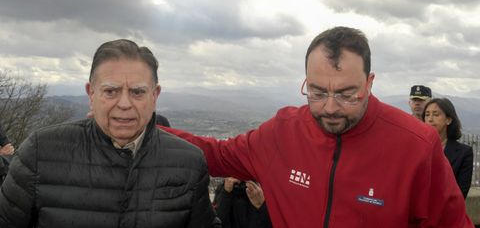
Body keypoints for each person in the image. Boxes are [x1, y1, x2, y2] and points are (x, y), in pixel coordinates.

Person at [162, 27, 473, 227]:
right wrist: (142, 129)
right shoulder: (282, 132)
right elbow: (215, 154)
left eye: (347, 94)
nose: (330, 107)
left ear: (369, 82)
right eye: (317, 92)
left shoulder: (416, 144)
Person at [0, 39, 219, 228]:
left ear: (155, 95)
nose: (124, 103)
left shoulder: (188, 162)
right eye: (111, 91)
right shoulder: (41, 152)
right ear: (91, 93)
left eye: (137, 92)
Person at [423, 98, 474, 198]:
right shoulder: (416, 149)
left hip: (446, 210)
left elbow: (460, 193)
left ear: (448, 120)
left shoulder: (464, 153)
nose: (430, 119)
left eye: (436, 114)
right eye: (427, 114)